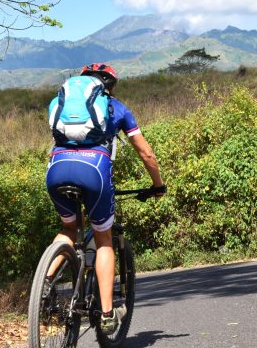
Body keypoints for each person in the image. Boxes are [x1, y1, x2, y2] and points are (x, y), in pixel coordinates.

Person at [45, 63, 166, 334]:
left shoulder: (61, 103)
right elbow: (146, 154)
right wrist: (157, 185)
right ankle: (108, 314)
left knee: (68, 229)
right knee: (103, 238)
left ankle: (45, 283)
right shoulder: (117, 109)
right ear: (109, 86)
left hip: (56, 168)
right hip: (94, 172)